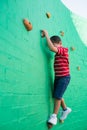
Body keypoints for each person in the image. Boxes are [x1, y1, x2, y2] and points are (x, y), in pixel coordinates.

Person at [41, 30, 72, 125]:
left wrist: (46, 35)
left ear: (60, 43)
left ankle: (54, 116)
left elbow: (51, 48)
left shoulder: (64, 50)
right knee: (58, 94)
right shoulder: (59, 53)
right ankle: (65, 109)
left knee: (57, 97)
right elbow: (52, 47)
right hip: (58, 77)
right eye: (53, 45)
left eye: (55, 45)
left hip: (64, 77)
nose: (53, 47)